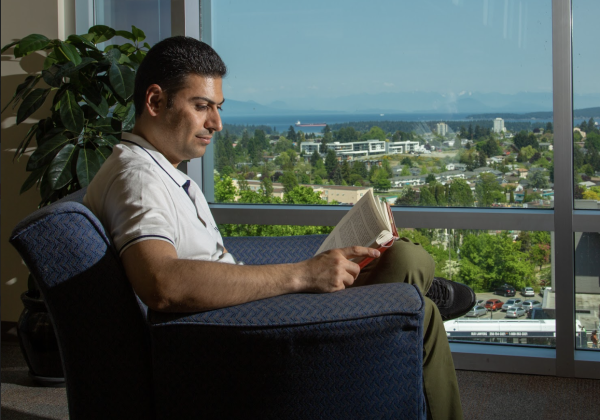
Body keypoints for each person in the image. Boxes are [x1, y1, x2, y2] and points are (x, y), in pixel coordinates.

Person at [84, 36, 474, 420]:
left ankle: (414, 285)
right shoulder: (138, 180)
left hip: (237, 312)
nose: (216, 123)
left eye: (217, 107)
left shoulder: (156, 169)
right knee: (419, 311)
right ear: (154, 101)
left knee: (404, 255)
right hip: (233, 339)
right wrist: (303, 274)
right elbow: (162, 284)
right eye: (202, 106)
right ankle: (417, 299)